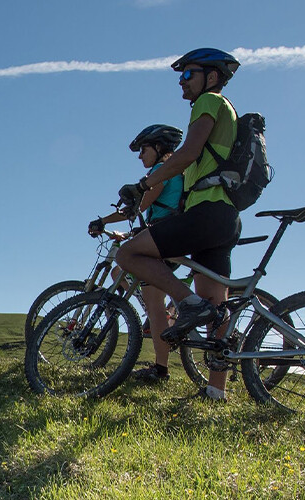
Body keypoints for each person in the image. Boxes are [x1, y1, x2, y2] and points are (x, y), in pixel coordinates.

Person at [114, 48, 242, 401]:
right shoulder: (225, 109)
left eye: (188, 75)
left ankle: (185, 302)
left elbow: (187, 153)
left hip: (207, 212)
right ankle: (217, 390)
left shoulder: (209, 103)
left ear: (211, 77)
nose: (182, 82)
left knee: (127, 254)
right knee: (217, 305)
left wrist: (143, 185)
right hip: (225, 217)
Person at [88, 124, 184, 384]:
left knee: (151, 302)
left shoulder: (161, 171)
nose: (140, 156)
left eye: (143, 150)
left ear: (158, 148)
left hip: (164, 239)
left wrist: (103, 221)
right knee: (150, 303)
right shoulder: (171, 169)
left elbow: (138, 207)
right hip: (162, 235)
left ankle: (162, 366)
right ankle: (161, 367)